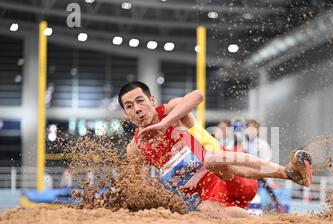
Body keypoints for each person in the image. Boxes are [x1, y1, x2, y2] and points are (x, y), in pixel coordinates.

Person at [120, 81, 312, 216]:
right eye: (129, 106)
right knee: (205, 212)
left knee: (210, 160)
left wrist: (164, 124)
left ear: (152, 101)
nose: (136, 108)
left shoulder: (172, 111)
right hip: (214, 196)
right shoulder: (135, 148)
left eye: (140, 100)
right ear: (126, 114)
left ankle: (290, 172)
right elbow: (136, 186)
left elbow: (197, 96)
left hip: (233, 174)